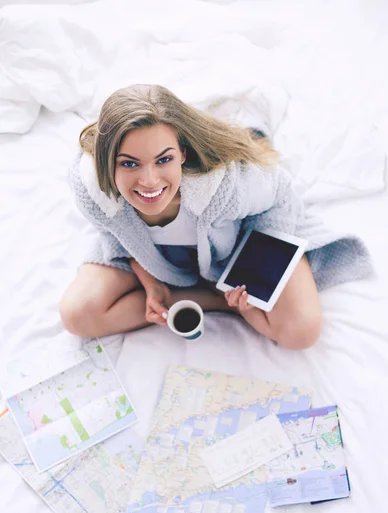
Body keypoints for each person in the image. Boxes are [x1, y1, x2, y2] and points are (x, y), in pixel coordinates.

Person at [59, 84, 372, 349]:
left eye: (163, 159)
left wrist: (251, 277)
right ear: (106, 163)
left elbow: (279, 196)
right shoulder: (94, 191)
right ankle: (214, 299)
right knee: (77, 315)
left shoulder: (227, 186)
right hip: (158, 258)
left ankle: (215, 295)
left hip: (236, 245)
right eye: (129, 164)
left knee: (301, 331)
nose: (150, 181)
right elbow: (115, 235)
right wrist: (151, 283)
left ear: (182, 153)